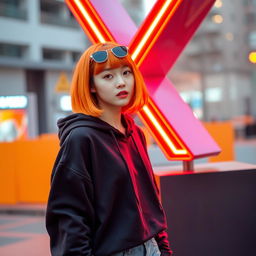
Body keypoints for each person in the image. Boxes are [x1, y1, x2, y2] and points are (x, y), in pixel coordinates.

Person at [46, 42, 173, 256]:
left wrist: (163, 248)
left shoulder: (135, 133)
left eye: (126, 73)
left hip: (151, 248)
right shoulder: (81, 138)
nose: (121, 82)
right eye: (108, 76)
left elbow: (150, 201)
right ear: (91, 85)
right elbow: (69, 218)